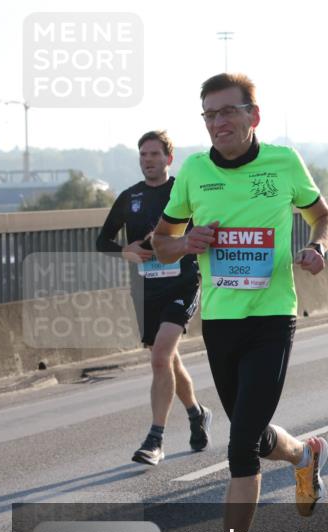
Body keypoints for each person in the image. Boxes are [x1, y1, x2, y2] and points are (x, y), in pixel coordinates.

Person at [151, 73, 328, 532]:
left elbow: (323, 216)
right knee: (252, 438)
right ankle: (304, 455)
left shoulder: (282, 163)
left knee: (238, 450)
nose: (218, 123)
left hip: (272, 319)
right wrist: (186, 241)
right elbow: (160, 244)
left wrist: (318, 247)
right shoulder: (193, 171)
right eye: (208, 115)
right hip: (221, 322)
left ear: (253, 115)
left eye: (227, 112)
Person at [96, 130, 212, 466]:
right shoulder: (129, 197)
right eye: (144, 155)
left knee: (160, 356)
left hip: (183, 283)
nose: (149, 160)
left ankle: (155, 440)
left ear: (168, 158)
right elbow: (103, 241)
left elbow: (204, 228)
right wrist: (125, 251)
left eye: (155, 155)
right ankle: (196, 412)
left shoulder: (183, 191)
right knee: (168, 359)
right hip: (147, 289)